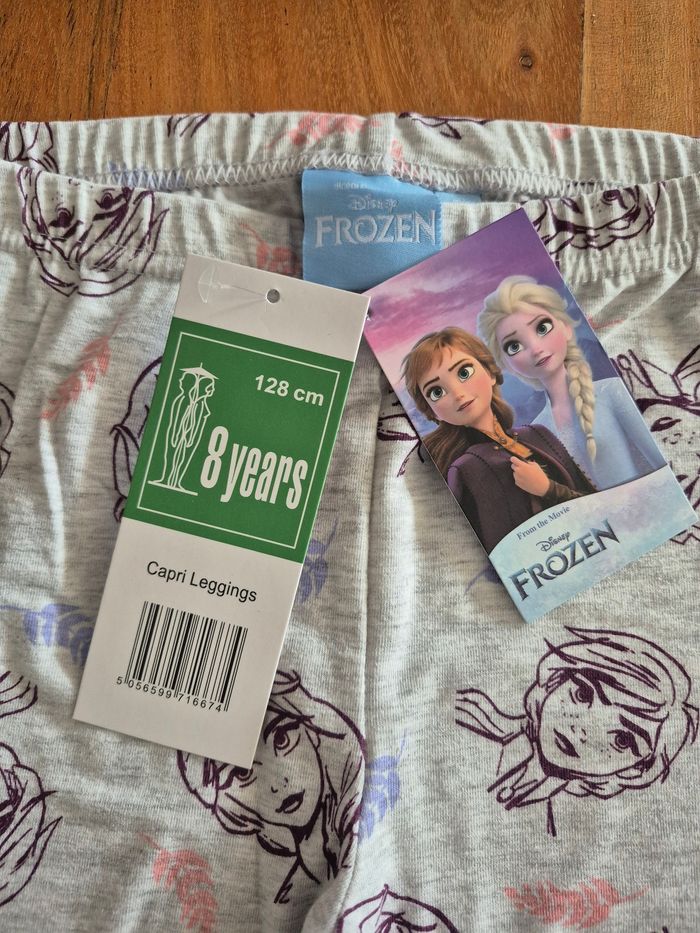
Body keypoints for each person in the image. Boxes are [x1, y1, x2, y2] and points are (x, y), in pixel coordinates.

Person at [455, 627, 698, 837]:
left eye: (622, 740)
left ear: (636, 769)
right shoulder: (471, 714)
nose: (581, 729)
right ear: (556, 680)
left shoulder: (579, 825)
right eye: (582, 694)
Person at [401, 327, 596, 553]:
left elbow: (596, 502)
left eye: (464, 373)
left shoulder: (537, 434)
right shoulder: (466, 470)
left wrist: (548, 489)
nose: (458, 393)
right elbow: (494, 552)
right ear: (432, 412)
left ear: (490, 373)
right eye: (436, 392)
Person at [178, 670, 365, 905]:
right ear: (227, 803)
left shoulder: (357, 803)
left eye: (282, 739)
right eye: (242, 773)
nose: (279, 782)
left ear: (311, 732)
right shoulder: (287, 893)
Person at [477, 275, 666, 489]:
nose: (536, 349)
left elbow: (664, 468)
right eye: (514, 346)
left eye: (542, 328)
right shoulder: (536, 430)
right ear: (507, 364)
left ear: (566, 327)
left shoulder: (611, 392)